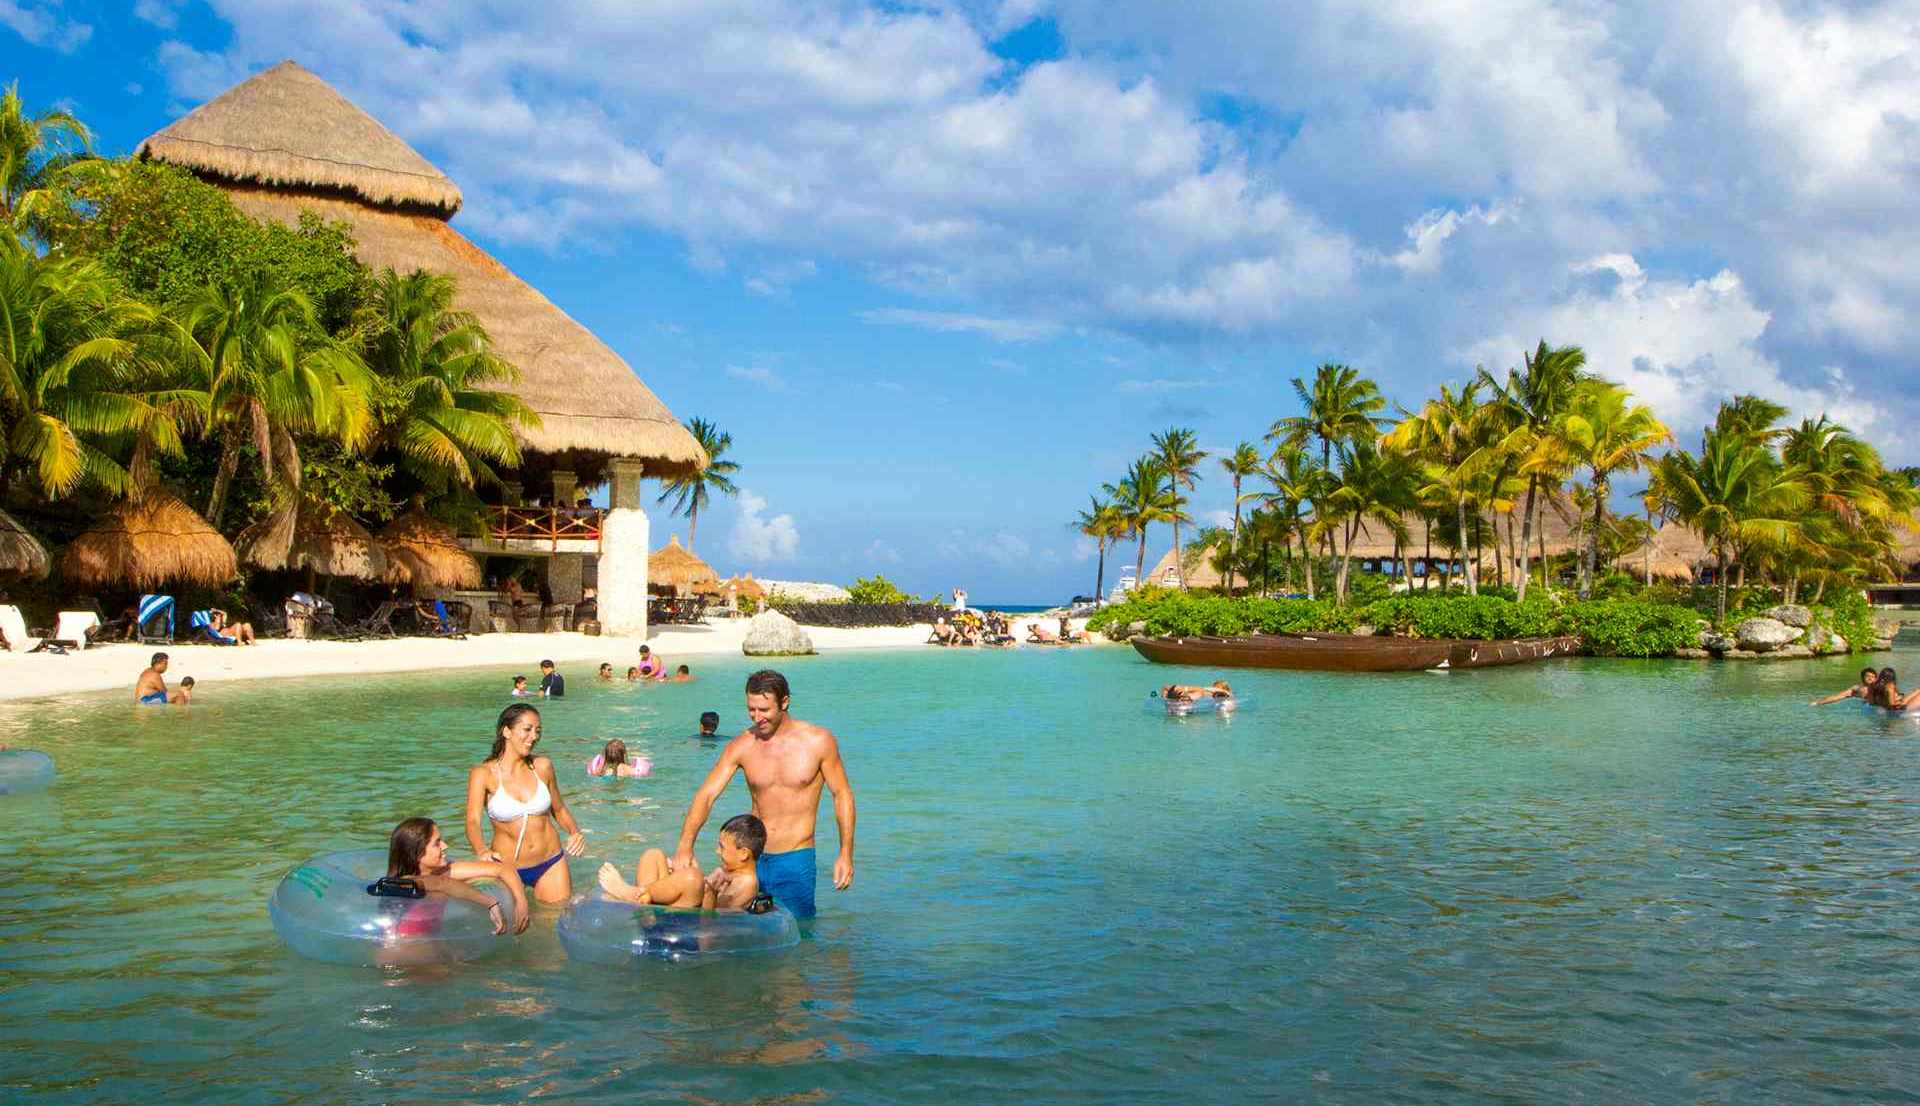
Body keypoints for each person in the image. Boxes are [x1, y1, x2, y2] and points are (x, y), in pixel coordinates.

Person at [669, 670, 855, 918]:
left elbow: (841, 794)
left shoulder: (818, 742)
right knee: (727, 926)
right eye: (751, 709)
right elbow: (706, 795)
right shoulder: (742, 745)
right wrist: (685, 845)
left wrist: (845, 854)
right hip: (748, 861)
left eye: (764, 710)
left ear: (785, 702)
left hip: (795, 859)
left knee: (799, 932)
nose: (757, 717)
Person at [465, 703, 587, 904]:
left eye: (538, 731)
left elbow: (559, 809)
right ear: (506, 731)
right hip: (507, 867)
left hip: (551, 861)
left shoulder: (542, 766)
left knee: (550, 927)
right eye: (527, 729)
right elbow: (472, 821)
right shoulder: (483, 774)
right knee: (513, 929)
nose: (534, 737)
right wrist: (481, 850)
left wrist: (575, 832)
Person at [384, 816, 529, 937]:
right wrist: (491, 902)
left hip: (426, 943)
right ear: (416, 853)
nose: (445, 846)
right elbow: (442, 884)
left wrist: (521, 902)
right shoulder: (405, 883)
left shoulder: (443, 872)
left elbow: (501, 869)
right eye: (437, 843)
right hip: (402, 950)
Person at [599, 812, 767, 910]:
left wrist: (708, 889)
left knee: (692, 878)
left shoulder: (747, 884)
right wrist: (679, 875)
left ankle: (630, 894)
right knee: (654, 856)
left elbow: (712, 922)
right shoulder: (731, 874)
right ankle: (643, 906)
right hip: (669, 914)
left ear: (744, 854)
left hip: (686, 929)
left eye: (722, 847)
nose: (717, 851)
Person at [1812, 667, 1880, 706]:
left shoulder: (1879, 687)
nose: (1870, 678)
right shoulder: (1857, 688)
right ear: (1862, 677)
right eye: (1867, 676)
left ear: (1876, 678)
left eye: (1873, 677)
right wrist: (1819, 702)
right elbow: (1838, 696)